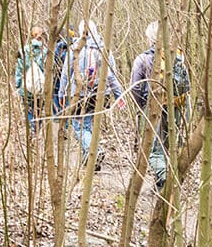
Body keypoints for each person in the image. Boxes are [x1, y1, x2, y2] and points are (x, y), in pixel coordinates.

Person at [130, 21, 190, 190]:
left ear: (150, 38)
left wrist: (141, 106)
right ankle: (162, 183)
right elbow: (188, 86)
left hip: (153, 108)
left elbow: (135, 88)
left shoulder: (143, 59)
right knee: (167, 147)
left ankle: (165, 182)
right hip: (175, 108)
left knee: (153, 150)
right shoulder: (177, 58)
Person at [58, 19, 125, 169]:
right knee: (88, 125)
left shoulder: (75, 49)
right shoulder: (104, 49)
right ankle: (90, 162)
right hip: (101, 95)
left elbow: (65, 74)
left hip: (80, 94)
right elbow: (111, 76)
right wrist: (119, 95)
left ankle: (94, 151)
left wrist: (61, 94)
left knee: (78, 125)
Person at [14, 25, 47, 135]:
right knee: (38, 110)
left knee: (29, 110)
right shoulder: (46, 52)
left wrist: (18, 85)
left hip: (26, 88)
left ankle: (31, 132)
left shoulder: (23, 51)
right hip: (40, 88)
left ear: (31, 35)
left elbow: (19, 69)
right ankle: (36, 130)